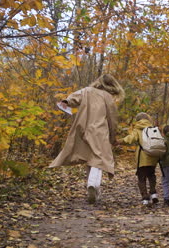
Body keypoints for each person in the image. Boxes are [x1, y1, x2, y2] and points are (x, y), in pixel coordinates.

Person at [50, 74, 124, 204]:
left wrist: (66, 101)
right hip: (100, 131)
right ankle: (92, 185)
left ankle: (93, 191)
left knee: (91, 158)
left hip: (83, 128)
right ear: (111, 85)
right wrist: (113, 137)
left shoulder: (86, 91)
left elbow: (74, 97)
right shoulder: (107, 97)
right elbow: (112, 119)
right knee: (99, 159)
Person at [122, 112, 160, 206]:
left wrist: (120, 141)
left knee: (141, 178)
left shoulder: (138, 128)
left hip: (142, 157)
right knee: (151, 175)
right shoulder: (153, 128)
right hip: (153, 157)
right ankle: (153, 193)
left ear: (138, 120)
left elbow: (131, 139)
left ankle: (145, 198)